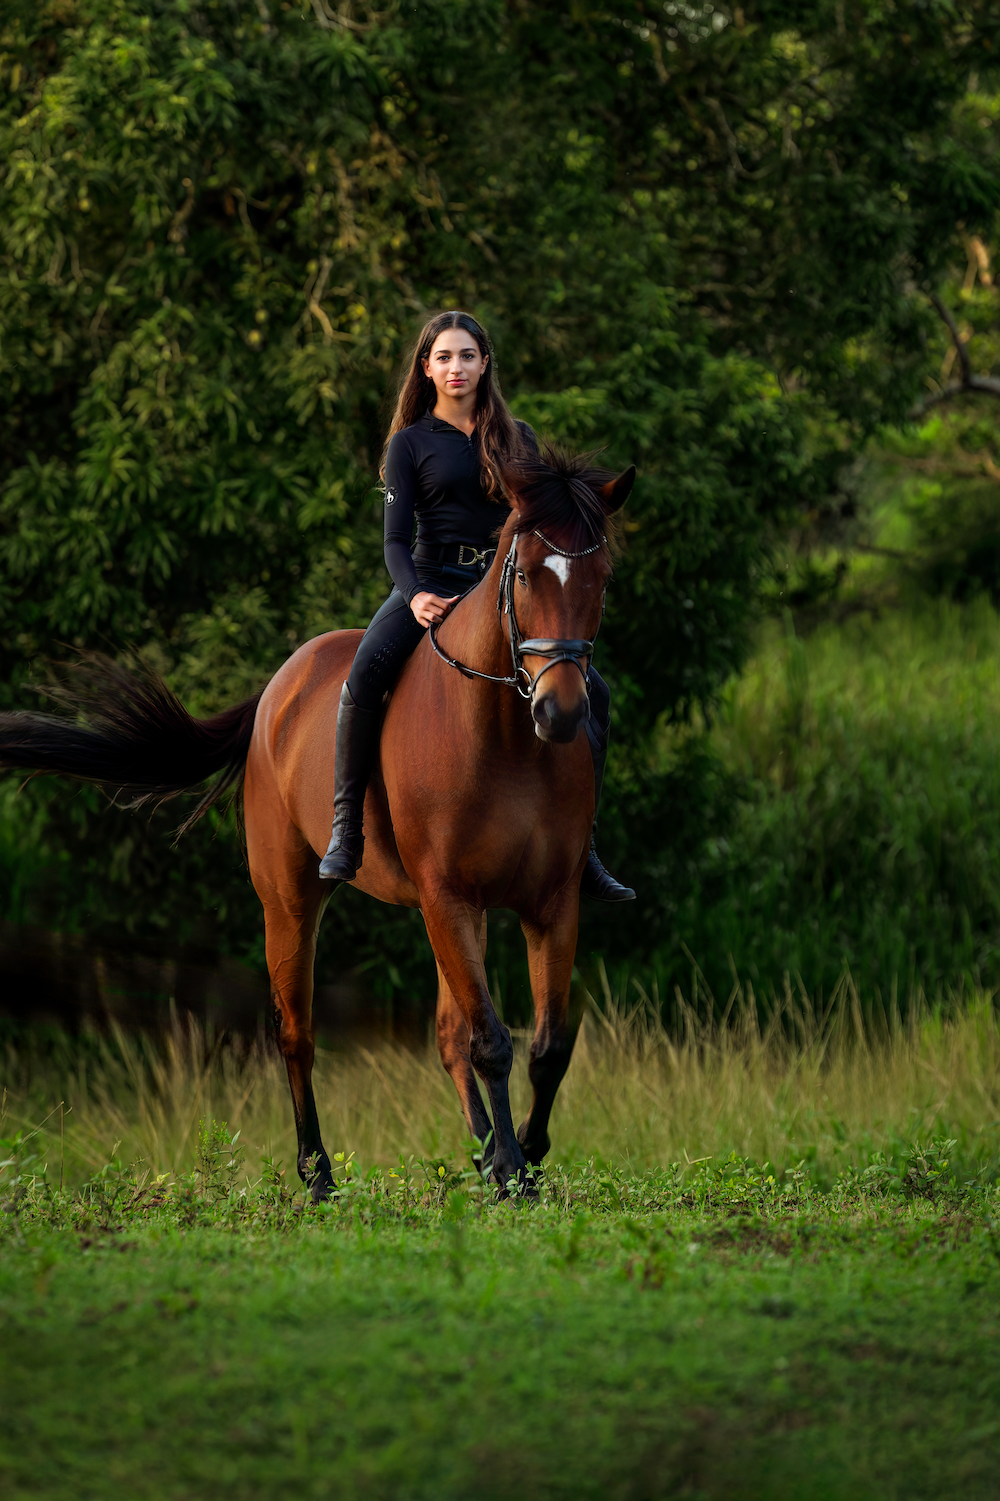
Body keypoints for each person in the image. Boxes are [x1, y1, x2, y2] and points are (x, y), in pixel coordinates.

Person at [319, 310, 634, 902]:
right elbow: (393, 541)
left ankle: (585, 849)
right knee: (364, 672)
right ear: (427, 368)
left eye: (466, 356)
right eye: (443, 357)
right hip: (432, 579)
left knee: (599, 694)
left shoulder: (520, 437)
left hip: (504, 587)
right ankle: (346, 830)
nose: (455, 367)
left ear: (484, 363)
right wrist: (414, 596)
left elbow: (540, 527)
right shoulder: (407, 444)